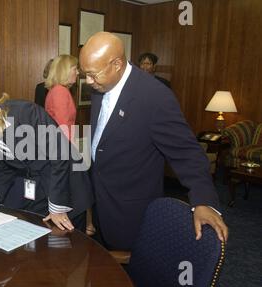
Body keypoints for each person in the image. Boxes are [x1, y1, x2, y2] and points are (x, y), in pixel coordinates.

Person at [79, 32, 228, 251]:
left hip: (129, 213)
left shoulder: (154, 97)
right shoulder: (100, 88)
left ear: (117, 64)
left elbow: (187, 153)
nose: (88, 81)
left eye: (92, 74)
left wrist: (203, 201)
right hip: (101, 202)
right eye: (85, 74)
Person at [0, 94, 93, 231]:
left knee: (71, 246)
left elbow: (60, 156)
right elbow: (6, 169)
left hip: (67, 184)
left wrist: (56, 208)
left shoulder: (25, 113)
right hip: (41, 184)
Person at [44, 55, 78, 142]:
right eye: (75, 69)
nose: (77, 72)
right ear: (65, 71)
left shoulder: (58, 89)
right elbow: (63, 125)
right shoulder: (60, 91)